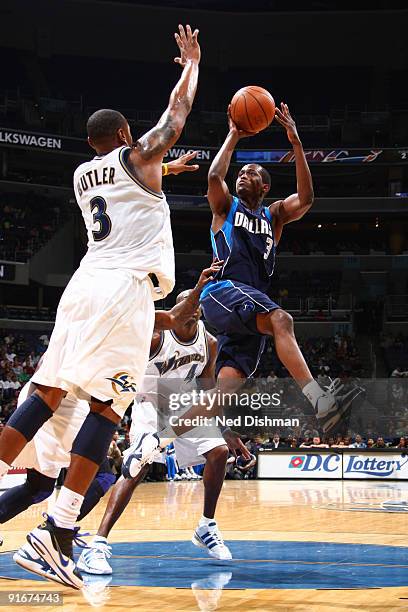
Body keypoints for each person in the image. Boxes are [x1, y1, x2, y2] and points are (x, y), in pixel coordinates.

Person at [0, 24, 201, 589]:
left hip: (82, 286)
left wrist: (167, 169)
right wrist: (191, 67)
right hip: (123, 291)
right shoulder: (138, 154)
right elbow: (176, 118)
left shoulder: (83, 172)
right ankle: (57, 531)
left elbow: (135, 180)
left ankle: (51, 528)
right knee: (108, 409)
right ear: (124, 134)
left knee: (47, 391)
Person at [122, 103, 364, 478]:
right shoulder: (226, 207)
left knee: (220, 398)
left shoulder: (273, 216)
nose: (243, 175)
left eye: (251, 173)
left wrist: (296, 144)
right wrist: (234, 134)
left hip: (249, 309)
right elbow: (215, 176)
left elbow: (307, 199)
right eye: (243, 172)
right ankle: (319, 398)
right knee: (282, 318)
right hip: (221, 292)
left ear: (265, 186)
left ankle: (157, 440)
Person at [9, 263, 218, 585]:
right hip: (62, 396)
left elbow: (175, 318)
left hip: (64, 393)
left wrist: (201, 287)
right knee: (105, 471)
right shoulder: (127, 319)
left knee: (38, 487)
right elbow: (171, 319)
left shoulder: (115, 305)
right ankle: (56, 531)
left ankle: (57, 530)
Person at [77, 285, 231, 575]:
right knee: (137, 468)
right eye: (187, 304)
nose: (193, 309)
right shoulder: (156, 337)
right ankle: (97, 544)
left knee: (220, 451)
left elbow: (209, 388)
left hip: (184, 404)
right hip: (149, 403)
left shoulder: (209, 343)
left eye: (197, 306)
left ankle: (206, 525)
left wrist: (225, 428)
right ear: (176, 310)